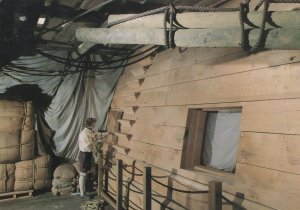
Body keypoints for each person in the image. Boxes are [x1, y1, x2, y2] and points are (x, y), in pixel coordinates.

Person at [78, 118, 109, 199]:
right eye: (94, 123)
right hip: (84, 155)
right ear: (91, 124)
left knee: (88, 173)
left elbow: (96, 135)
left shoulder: (90, 131)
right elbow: (88, 145)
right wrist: (97, 142)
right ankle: (82, 193)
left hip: (88, 154)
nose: (95, 125)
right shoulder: (84, 134)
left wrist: (107, 133)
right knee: (83, 174)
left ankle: (86, 189)